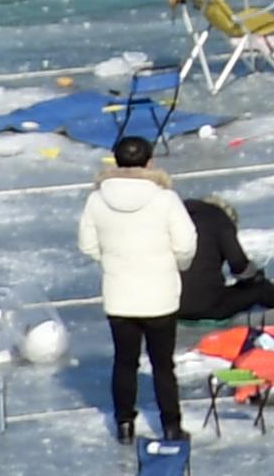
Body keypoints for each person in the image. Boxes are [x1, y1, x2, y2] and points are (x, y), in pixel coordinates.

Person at [77, 134, 195, 445]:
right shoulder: (165, 199)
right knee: (162, 366)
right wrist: (174, 266)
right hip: (160, 295)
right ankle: (171, 426)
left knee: (124, 362)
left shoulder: (97, 199)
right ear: (150, 162)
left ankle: (124, 424)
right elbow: (185, 243)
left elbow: (87, 245)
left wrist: (115, 261)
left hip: (119, 295)